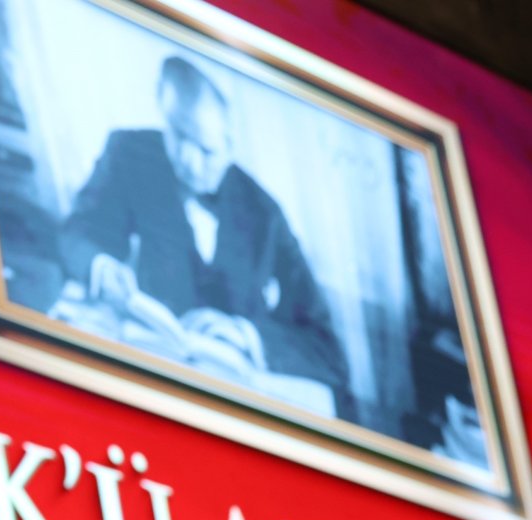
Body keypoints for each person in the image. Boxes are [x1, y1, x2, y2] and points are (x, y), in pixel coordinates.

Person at [59, 55, 353, 420]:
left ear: (231, 145)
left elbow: (328, 351)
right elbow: (78, 231)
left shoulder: (265, 212)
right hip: (144, 374)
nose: (187, 161)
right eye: (177, 134)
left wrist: (246, 335)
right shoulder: (129, 154)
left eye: (207, 150)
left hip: (229, 403)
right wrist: (99, 264)